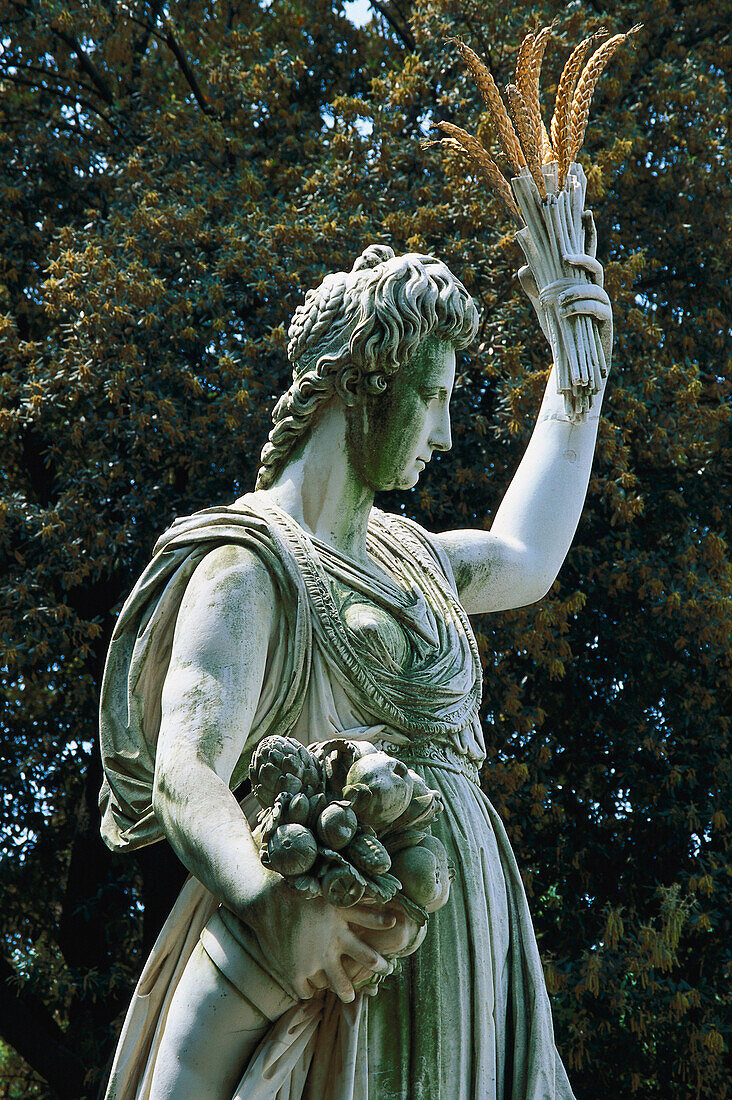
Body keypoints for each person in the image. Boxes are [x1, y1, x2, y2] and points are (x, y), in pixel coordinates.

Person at [99, 240, 612, 1099]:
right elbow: (186, 773)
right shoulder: (251, 560)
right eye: (436, 398)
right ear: (365, 383)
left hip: (473, 949)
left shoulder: (414, 558)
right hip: (338, 949)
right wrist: (268, 903)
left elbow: (528, 554)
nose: (447, 435)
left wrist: (577, 381)